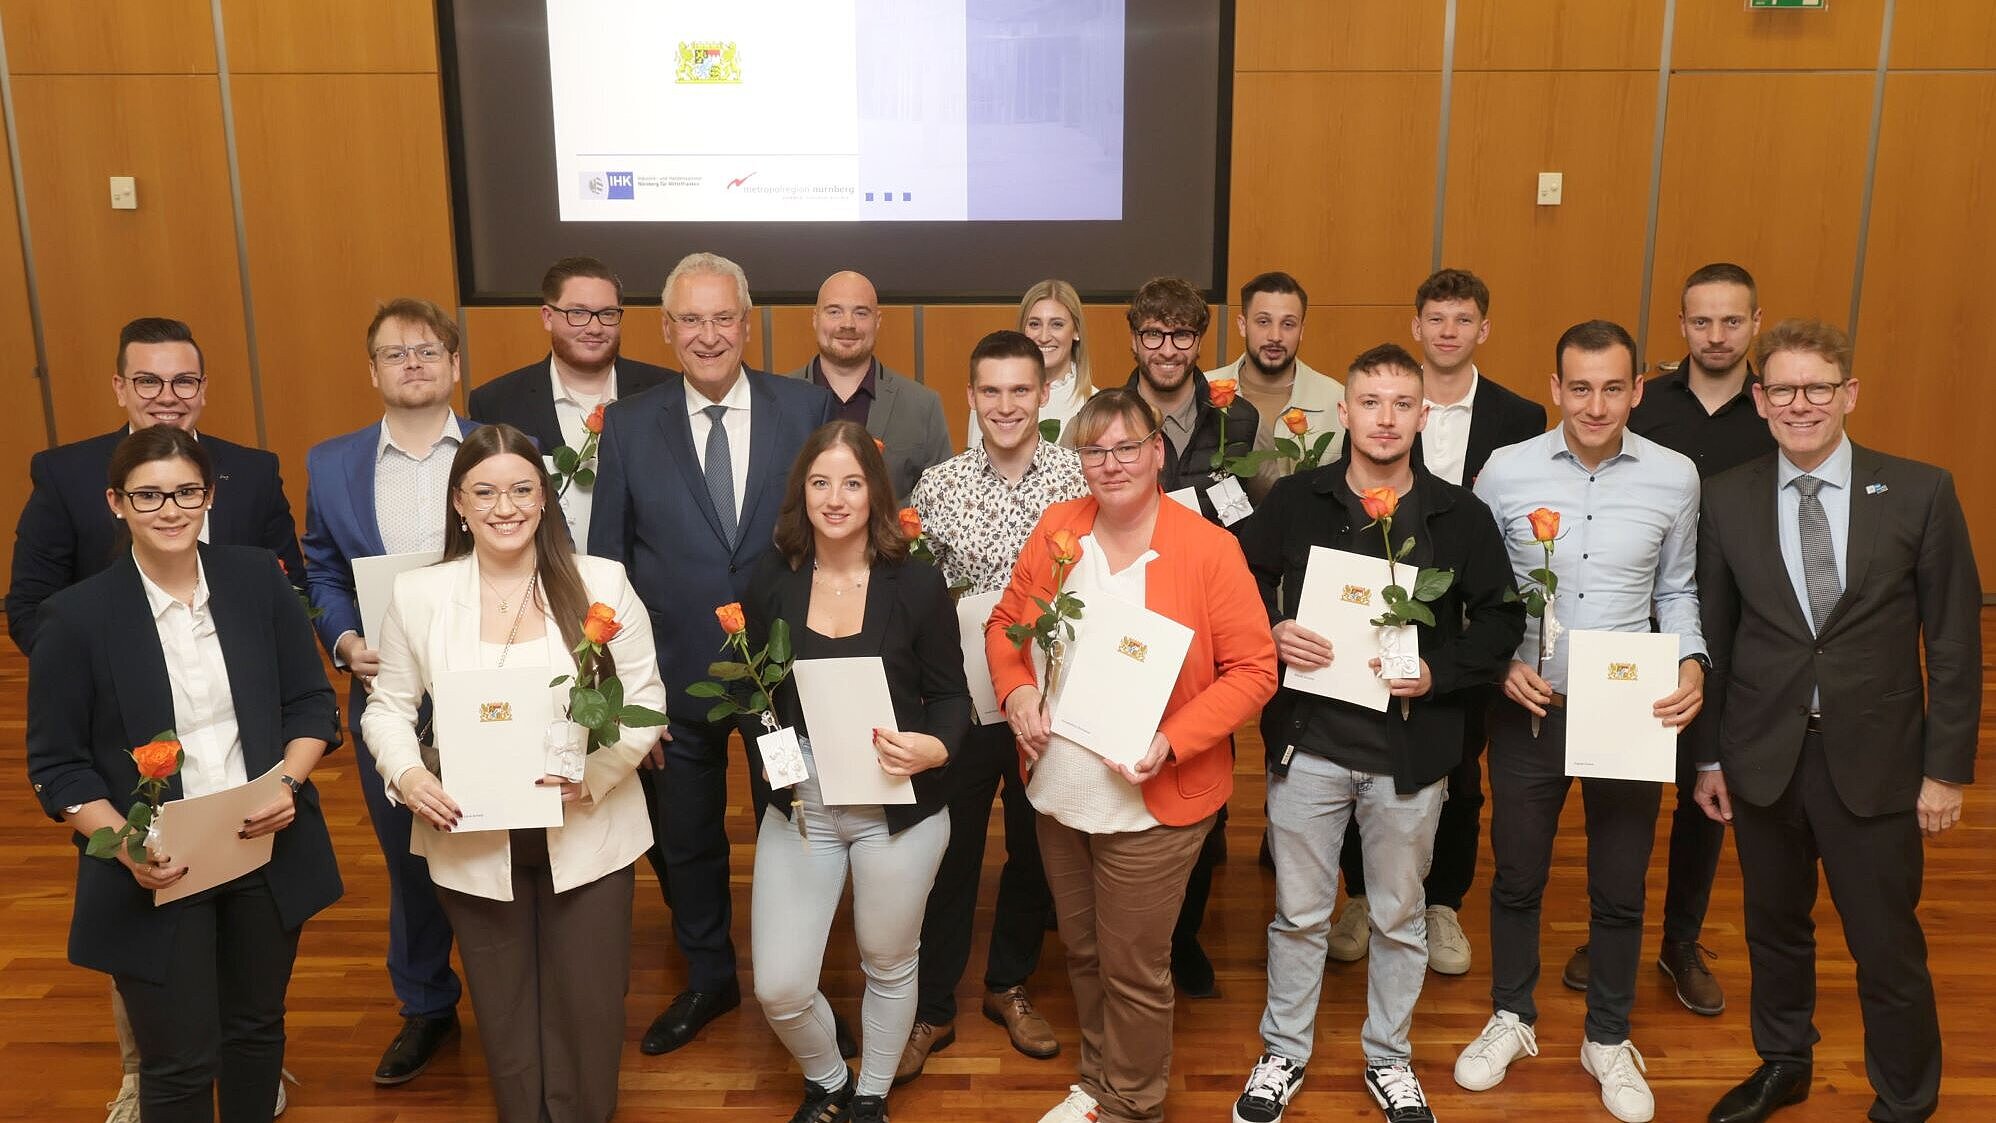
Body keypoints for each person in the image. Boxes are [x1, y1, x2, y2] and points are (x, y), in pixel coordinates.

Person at [6, 315, 306, 1122]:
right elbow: (58, 764)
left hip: (255, 843)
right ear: (118, 502)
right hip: (149, 850)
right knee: (173, 1066)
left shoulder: (251, 578)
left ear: (209, 497)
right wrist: (124, 832)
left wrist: (287, 777)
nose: (169, 507)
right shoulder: (79, 616)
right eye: (149, 495)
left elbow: (308, 700)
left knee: (254, 1031)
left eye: (185, 493)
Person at [1692, 319, 1979, 1123]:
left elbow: (1954, 641)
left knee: (1887, 947)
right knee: (1773, 930)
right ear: (1760, 400)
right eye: (1782, 388)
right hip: (1764, 759)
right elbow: (1715, 635)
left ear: (1848, 393)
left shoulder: (1921, 491)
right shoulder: (1728, 496)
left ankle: (1906, 1098)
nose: (1801, 403)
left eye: (1818, 386)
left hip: (1880, 763)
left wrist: (1946, 769)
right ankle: (1784, 1062)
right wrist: (1709, 757)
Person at [1233, 344, 1523, 1123]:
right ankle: (1283, 1051)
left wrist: (1439, 672)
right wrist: (1275, 626)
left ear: (1423, 415)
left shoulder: (1460, 516)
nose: (1387, 418)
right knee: (1298, 914)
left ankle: (1388, 1056)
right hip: (1310, 744)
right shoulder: (1300, 498)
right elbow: (1237, 571)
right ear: (1348, 411)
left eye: (1403, 403)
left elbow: (1501, 616)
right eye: (1371, 402)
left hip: (1410, 752)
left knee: (1397, 915)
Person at [360, 423, 665, 1123]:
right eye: (486, 491)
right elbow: (387, 709)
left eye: (523, 489)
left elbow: (648, 703)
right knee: (504, 1008)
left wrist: (594, 774)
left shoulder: (600, 582)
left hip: (587, 826)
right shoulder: (419, 594)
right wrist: (409, 776)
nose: (506, 506)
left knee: (588, 1003)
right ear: (459, 503)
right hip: (473, 834)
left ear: (545, 497)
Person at [988, 389, 1278, 1123]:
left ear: (1157, 452)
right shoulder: (1060, 529)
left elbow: (1255, 668)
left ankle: (1134, 1103)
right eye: (1093, 450)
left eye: (1125, 447)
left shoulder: (1209, 548)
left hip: (1155, 797)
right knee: (1083, 952)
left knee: (1135, 967)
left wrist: (1171, 739)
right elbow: (1004, 624)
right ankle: (1098, 1079)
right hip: (1061, 789)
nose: (1109, 463)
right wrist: (1017, 690)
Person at [1456, 320, 1706, 1123]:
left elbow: (1678, 588)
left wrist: (1693, 661)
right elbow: (1477, 587)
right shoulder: (1506, 470)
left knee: (1620, 885)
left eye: (1612, 387)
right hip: (1529, 707)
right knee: (1519, 874)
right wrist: (1497, 661)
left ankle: (1606, 1035)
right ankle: (1513, 1017)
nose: (1594, 404)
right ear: (1555, 389)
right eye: (1578, 386)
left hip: (1628, 708)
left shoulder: (1676, 476)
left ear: (1637, 390)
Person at [589, 251, 836, 1055]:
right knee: (688, 837)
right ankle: (710, 976)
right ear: (666, 330)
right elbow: (607, 565)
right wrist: (626, 698)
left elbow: (838, 537)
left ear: (747, 322)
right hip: (673, 681)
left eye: (721, 317)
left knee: (796, 821)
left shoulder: (805, 410)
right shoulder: (629, 425)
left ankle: (794, 973)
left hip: (785, 683)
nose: (707, 335)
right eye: (689, 320)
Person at [1563, 262, 1777, 1012]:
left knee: (1705, 789)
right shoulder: (1641, 405)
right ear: (1680, 325)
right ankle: (1610, 926)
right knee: (1624, 793)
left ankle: (1680, 939)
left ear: (1756, 324)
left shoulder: (1775, 413)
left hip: (1747, 630)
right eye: (1701, 320)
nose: (1715, 335)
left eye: (1731, 320)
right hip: (1638, 641)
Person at [739, 420, 967, 1123]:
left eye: (851, 482)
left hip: (899, 806)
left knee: (889, 960)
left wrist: (936, 747)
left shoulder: (919, 584)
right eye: (819, 482)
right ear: (799, 492)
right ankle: (829, 1077)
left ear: (875, 492)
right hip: (805, 806)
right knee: (779, 985)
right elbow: (753, 695)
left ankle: (869, 1099)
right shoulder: (771, 581)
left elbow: (953, 695)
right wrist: (776, 760)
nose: (835, 498)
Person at [1328, 267, 1545, 976]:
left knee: (1460, 768)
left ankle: (1441, 901)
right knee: (1369, 757)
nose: (1448, 331)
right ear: (1417, 326)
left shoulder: (1519, 417)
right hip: (1376, 615)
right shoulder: (1382, 408)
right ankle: (1363, 894)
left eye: (1463, 320)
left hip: (1463, 617)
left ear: (1483, 329)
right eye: (1436, 318)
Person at [897, 330, 1088, 1083]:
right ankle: (933, 1005)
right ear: (971, 398)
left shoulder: (1079, 478)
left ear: (1045, 395)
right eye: (991, 391)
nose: (1006, 405)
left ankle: (1008, 983)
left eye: (1021, 390)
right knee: (951, 852)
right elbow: (913, 599)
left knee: (1036, 848)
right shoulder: (938, 486)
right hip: (966, 702)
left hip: (1054, 706)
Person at [301, 297, 477, 1086]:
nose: (413, 363)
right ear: (372, 370)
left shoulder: (504, 450)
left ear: (454, 365)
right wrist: (343, 639)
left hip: (486, 688)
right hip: (388, 693)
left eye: (428, 349)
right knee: (410, 860)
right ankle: (427, 1004)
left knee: (500, 842)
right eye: (395, 352)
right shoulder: (332, 463)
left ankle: (511, 992)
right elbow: (322, 568)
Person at [8, 316, 304, 654]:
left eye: (184, 381)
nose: (167, 397)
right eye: (148, 382)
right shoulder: (64, 475)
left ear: (202, 388)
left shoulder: (255, 473)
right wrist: (96, 677)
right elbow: (31, 607)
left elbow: (291, 589)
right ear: (120, 388)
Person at [467, 255, 672, 550]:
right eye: (578, 313)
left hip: (643, 582)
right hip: (539, 575)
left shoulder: (664, 391)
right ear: (547, 317)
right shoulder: (496, 402)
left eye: (607, 314)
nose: (594, 327)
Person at [786, 270, 952, 500]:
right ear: (815, 318)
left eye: (861, 313)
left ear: (878, 320)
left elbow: (941, 498)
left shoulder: (923, 405)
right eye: (834, 311)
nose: (847, 324)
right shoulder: (776, 401)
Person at [1123, 275, 1264, 522]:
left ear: (1199, 342)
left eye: (1183, 335)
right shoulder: (1099, 420)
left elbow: (1264, 517)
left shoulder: (1244, 420)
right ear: (1134, 340)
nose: (1168, 351)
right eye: (1154, 334)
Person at [1201, 270, 1344, 503]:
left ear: (1302, 331)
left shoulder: (1337, 401)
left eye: (1288, 324)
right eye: (1263, 321)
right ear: (1242, 325)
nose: (1275, 336)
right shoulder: (1203, 392)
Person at [971, 278, 1094, 447]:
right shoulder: (989, 396)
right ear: (1023, 330)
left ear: (1076, 331)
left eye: (1057, 324)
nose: (1043, 337)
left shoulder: (1094, 403)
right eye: (1034, 324)